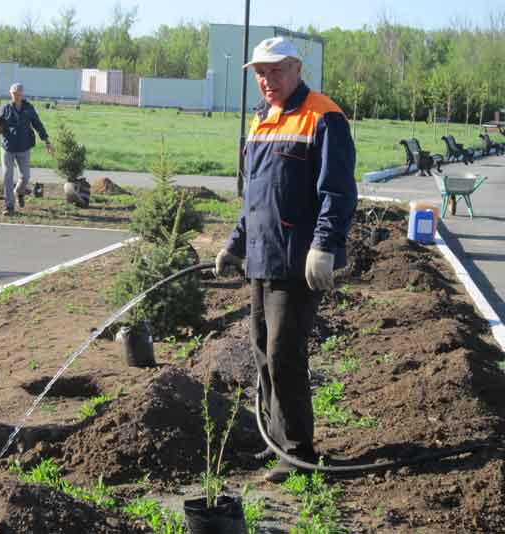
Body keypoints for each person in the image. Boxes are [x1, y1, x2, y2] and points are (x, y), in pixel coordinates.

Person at [214, 37, 358, 482]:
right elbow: (255, 197)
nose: (266, 80)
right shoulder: (262, 121)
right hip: (261, 257)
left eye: (275, 71)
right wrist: (235, 244)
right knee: (262, 353)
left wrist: (325, 247)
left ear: (297, 68)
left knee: (283, 354)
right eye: (260, 72)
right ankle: (276, 441)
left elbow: (337, 190)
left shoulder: (324, 115)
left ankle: (299, 451)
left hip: (297, 264)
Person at [0, 83, 53, 216]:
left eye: (18, 94)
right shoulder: (5, 108)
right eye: (14, 94)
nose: (16, 96)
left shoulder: (29, 108)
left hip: (24, 147)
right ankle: (9, 206)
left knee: (25, 177)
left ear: (22, 94)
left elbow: (38, 125)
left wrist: (47, 141)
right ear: (11, 94)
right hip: (7, 147)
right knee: (7, 175)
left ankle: (19, 192)